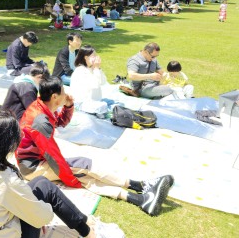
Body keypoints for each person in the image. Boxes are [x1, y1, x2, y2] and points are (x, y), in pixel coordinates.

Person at [0, 112, 126, 238]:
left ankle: (86, 221)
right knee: (46, 189)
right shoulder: (6, 181)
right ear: (8, 144)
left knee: (39, 183)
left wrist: (31, 206)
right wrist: (38, 207)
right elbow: (44, 217)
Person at [16, 76, 173, 216]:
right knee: (85, 167)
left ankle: (140, 194)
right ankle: (140, 190)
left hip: (35, 161)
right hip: (34, 167)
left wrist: (68, 106)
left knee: (84, 174)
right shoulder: (40, 120)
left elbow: (60, 122)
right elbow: (53, 156)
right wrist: (70, 181)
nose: (66, 94)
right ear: (54, 96)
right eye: (63, 91)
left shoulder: (42, 106)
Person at [69, 46, 111, 114]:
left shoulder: (92, 68)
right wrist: (96, 69)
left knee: (113, 104)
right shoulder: (80, 71)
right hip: (82, 103)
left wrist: (98, 69)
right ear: (86, 57)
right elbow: (95, 85)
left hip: (95, 101)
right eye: (93, 56)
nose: (96, 58)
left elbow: (103, 82)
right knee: (103, 107)